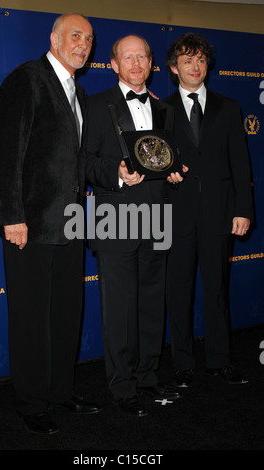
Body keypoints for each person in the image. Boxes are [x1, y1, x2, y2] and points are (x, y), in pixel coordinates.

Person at [0, 13, 102, 435]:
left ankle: (60, 390)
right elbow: (2, 151)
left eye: (89, 39)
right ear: (53, 39)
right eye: (75, 35)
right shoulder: (27, 78)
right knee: (32, 318)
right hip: (29, 226)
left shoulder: (81, 94)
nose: (83, 44)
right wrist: (12, 216)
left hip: (71, 225)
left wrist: (120, 174)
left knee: (65, 315)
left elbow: (82, 162)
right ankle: (32, 401)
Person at [85, 34, 186, 417]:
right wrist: (117, 174)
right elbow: (86, 162)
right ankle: (122, 386)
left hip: (157, 217)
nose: (136, 64)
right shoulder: (95, 106)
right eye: (128, 58)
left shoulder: (165, 110)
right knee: (120, 309)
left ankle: (147, 377)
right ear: (113, 64)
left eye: (142, 57)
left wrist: (175, 175)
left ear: (151, 63)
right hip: (115, 218)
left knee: (150, 306)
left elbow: (165, 161)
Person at [164, 33, 254, 388]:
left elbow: (241, 164)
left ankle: (219, 360)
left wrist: (243, 209)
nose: (195, 66)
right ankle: (182, 364)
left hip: (219, 214)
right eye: (187, 60)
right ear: (174, 68)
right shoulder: (162, 110)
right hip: (177, 215)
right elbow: (156, 163)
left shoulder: (228, 107)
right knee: (179, 291)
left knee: (216, 290)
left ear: (207, 65)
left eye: (200, 59)